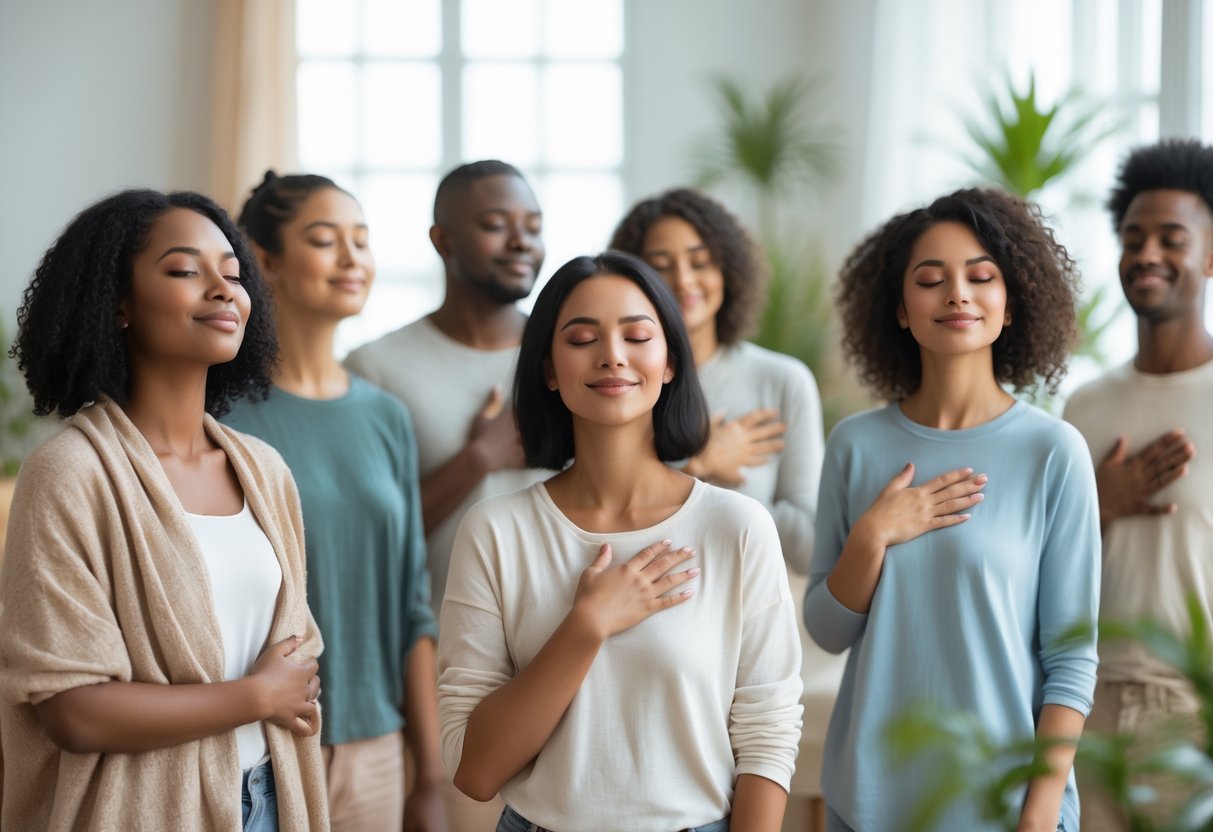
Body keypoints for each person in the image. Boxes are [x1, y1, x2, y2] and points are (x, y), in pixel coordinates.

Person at [437, 252, 804, 832]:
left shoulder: (736, 526)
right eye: (582, 338)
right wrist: (587, 625)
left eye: (636, 335)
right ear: (548, 370)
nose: (612, 355)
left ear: (670, 363)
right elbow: (474, 771)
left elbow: (768, 730)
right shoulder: (495, 531)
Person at [0, 189, 327, 831]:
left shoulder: (264, 471)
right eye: (185, 270)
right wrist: (255, 695)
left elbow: (295, 657)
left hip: (270, 798)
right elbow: (74, 712)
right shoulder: (71, 474)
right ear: (117, 303)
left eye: (233, 275)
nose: (223, 290)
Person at [804, 188, 1101, 831]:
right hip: (869, 803)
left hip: (1008, 808)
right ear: (902, 313)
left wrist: (1039, 816)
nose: (958, 294)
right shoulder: (855, 445)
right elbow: (827, 631)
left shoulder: (1053, 452)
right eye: (931, 280)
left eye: (982, 276)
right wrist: (872, 537)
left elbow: (1072, 658)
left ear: (1011, 302)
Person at [224, 172, 446, 832]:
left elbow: (412, 605)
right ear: (265, 261)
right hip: (257, 744)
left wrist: (428, 775)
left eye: (362, 240)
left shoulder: (385, 417)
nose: (353, 259)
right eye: (325, 240)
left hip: (377, 748)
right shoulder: (222, 417)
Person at [1063, 139, 1213, 830]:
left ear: (1209, 257)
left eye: (1171, 237)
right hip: (1085, 706)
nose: (1146, 252)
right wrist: (1101, 503)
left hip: (1192, 715)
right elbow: (1047, 562)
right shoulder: (1084, 408)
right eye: (1131, 237)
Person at [344, 160, 549, 618]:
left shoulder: (570, 355)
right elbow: (363, 537)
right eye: (496, 225)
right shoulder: (375, 367)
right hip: (437, 649)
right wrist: (479, 458)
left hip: (565, 640)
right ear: (443, 241)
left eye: (533, 227)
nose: (521, 242)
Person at [609, 187, 824, 575]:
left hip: (749, 614)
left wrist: (718, 494)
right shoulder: (615, 380)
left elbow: (808, 551)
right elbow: (601, 526)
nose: (684, 280)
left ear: (728, 271)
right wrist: (699, 464)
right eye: (661, 264)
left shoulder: (783, 381)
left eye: (701, 262)